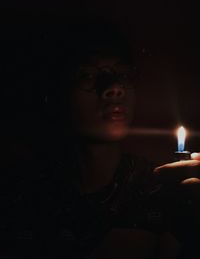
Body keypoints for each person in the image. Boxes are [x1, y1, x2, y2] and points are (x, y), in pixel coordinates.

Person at [3, 17, 200, 259]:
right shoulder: (20, 192)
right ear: (52, 94)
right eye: (86, 74)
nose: (114, 86)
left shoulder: (160, 188)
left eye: (122, 73)